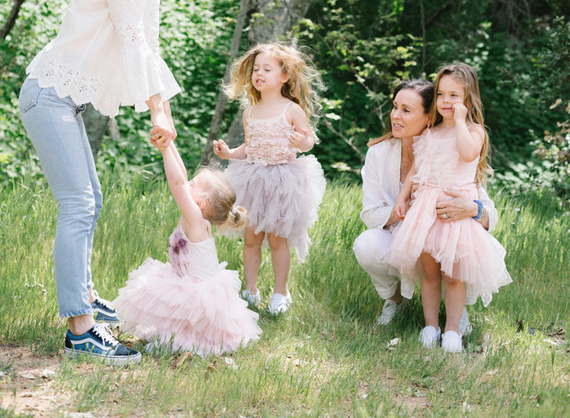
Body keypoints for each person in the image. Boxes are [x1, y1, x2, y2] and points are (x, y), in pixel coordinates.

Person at [18, 0, 180, 365]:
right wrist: (156, 110)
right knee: (79, 204)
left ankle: (84, 301)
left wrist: (163, 111)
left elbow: (149, 49)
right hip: (49, 95)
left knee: (92, 200)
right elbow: (133, 42)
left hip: (63, 101)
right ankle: (80, 332)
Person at [353, 78, 498, 334]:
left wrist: (471, 208)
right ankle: (397, 301)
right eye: (395, 107)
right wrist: (411, 205)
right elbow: (369, 213)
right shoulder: (379, 153)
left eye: (406, 110)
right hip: (402, 236)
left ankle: (456, 310)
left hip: (446, 233)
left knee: (454, 256)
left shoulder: (453, 144)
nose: (395, 116)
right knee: (366, 244)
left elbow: (489, 214)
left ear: (429, 117)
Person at [386, 64, 511, 353]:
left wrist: (459, 121)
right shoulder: (430, 131)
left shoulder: (473, 130)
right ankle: (431, 326)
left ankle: (452, 330)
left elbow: (468, 153)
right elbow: (418, 167)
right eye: (441, 94)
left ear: (469, 99)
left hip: (455, 210)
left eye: (454, 95)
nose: (445, 101)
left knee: (454, 276)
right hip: (426, 208)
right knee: (429, 272)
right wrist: (403, 196)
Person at [113, 142, 261, 356]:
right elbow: (181, 176)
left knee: (186, 329)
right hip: (187, 281)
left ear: (200, 204)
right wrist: (170, 141)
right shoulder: (197, 216)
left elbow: (176, 183)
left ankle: (180, 342)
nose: (187, 183)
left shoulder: (195, 220)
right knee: (169, 306)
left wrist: (164, 150)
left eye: (193, 184)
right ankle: (172, 338)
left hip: (197, 292)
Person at [213, 43, 326, 315]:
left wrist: (302, 141)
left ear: (284, 76)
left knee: (277, 239)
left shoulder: (291, 109)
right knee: (251, 237)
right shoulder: (249, 112)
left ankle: (281, 292)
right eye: (255, 69)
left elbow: (308, 140)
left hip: (282, 181)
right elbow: (249, 147)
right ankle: (250, 290)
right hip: (252, 180)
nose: (259, 74)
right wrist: (230, 153)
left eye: (267, 69)